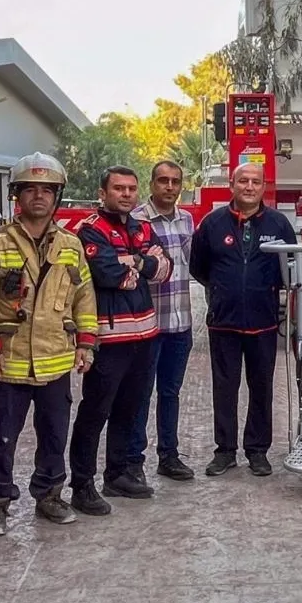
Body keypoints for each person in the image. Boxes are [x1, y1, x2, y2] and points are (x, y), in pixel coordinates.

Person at [0, 152, 97, 536]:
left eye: (47, 190)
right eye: (31, 190)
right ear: (16, 195)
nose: (39, 197)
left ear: (57, 196)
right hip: (9, 362)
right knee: (3, 438)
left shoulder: (71, 246)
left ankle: (49, 496)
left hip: (55, 359)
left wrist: (86, 344)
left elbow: (84, 296)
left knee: (54, 434)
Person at [68, 166, 172, 514]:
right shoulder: (89, 230)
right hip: (108, 340)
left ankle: (117, 475)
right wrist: (142, 263)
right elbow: (107, 274)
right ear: (103, 193)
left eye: (131, 189)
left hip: (145, 336)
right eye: (118, 188)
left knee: (129, 410)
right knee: (95, 412)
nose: (126, 194)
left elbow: (164, 269)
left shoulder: (144, 227)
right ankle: (82, 484)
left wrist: (134, 264)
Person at [189, 163, 297, 476]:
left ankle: (258, 451)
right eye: (243, 181)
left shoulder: (278, 224)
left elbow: (289, 265)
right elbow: (199, 267)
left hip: (263, 323)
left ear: (264, 187)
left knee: (261, 387)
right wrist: (225, 288)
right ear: (232, 185)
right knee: (225, 389)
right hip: (223, 323)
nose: (249, 187)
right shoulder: (212, 224)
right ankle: (224, 451)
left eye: (255, 182)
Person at [128, 161, 196, 481]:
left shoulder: (187, 219)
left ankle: (168, 455)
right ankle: (133, 460)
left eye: (175, 181)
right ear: (151, 183)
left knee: (170, 393)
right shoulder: (136, 220)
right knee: (140, 394)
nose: (169, 187)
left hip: (180, 325)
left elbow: (194, 264)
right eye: (163, 181)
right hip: (148, 326)